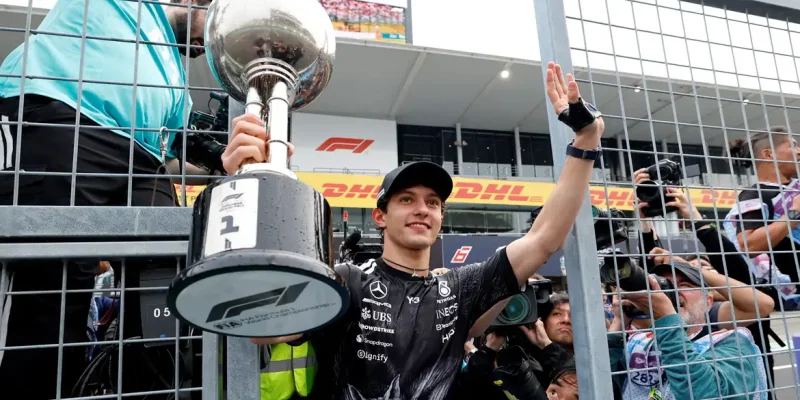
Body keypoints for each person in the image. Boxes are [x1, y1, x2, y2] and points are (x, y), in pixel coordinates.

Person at [223, 62, 606, 399]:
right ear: (380, 216)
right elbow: (262, 328)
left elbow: (544, 239)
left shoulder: (459, 290)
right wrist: (259, 186)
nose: (422, 208)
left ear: (440, 219)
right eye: (406, 199)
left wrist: (585, 142)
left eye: (433, 202)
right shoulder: (346, 282)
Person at [0, 1, 211, 398]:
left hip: (144, 156)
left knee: (166, 277)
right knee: (53, 284)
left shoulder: (171, 64)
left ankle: (145, 392)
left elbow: (185, 136)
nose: (208, 46)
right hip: (63, 116)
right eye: (211, 24)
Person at [608, 262, 769, 400]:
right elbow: (597, 382)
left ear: (708, 301)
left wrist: (666, 316)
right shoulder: (641, 344)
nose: (671, 292)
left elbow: (706, 394)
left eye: (684, 285)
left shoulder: (733, 343)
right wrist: (619, 323)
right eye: (664, 285)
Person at [725, 127, 800, 301]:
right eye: (792, 145)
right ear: (768, 155)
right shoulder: (753, 196)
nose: (799, 151)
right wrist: (794, 213)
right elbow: (749, 245)